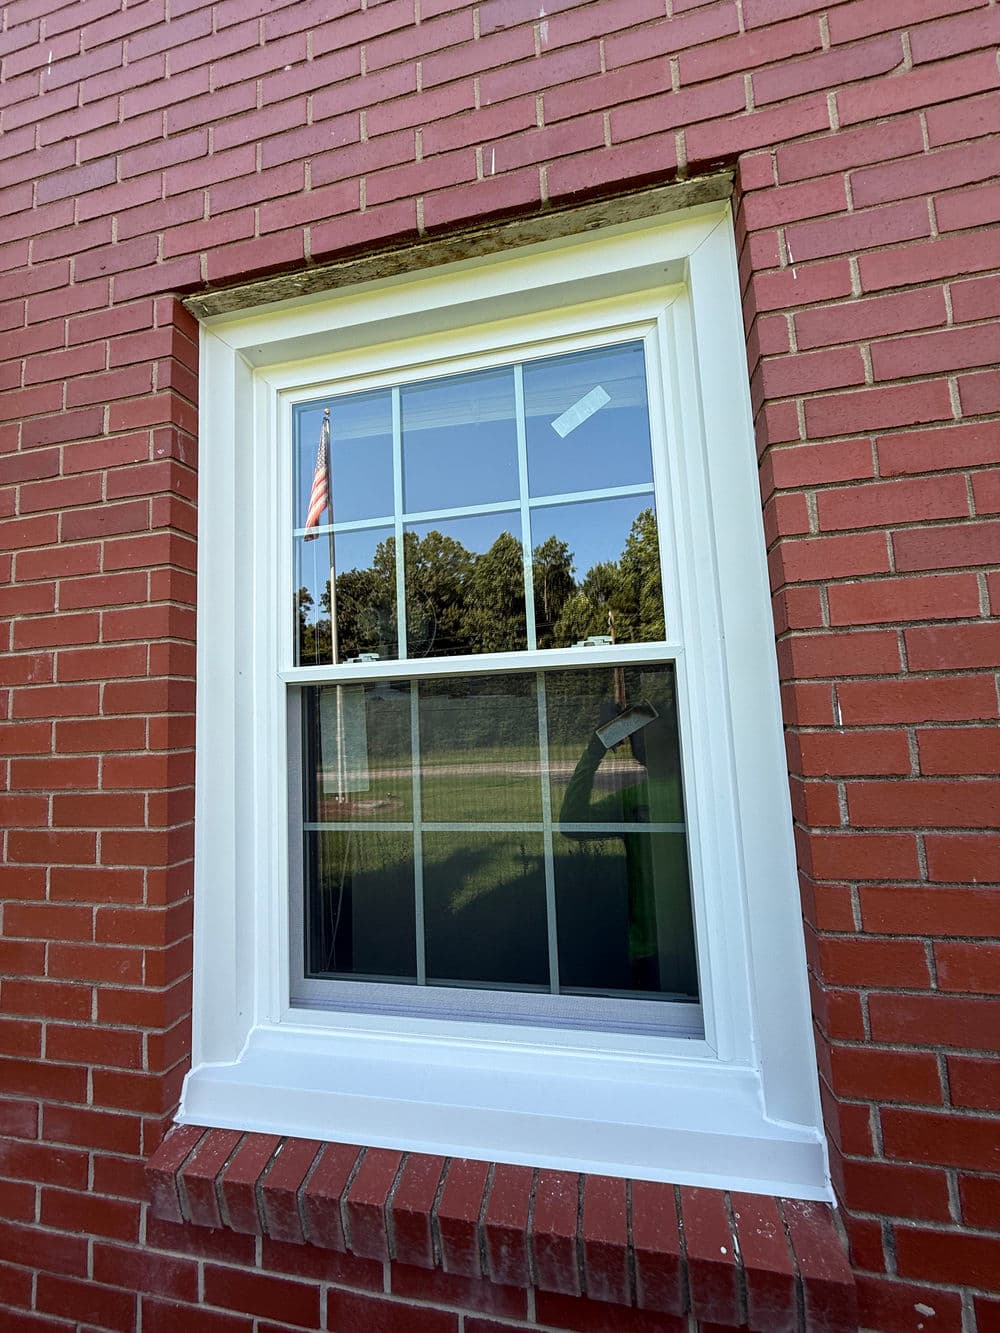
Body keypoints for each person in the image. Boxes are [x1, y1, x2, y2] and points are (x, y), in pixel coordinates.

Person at [559, 684, 699, 998]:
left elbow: (571, 822)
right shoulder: (685, 795)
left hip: (668, 945)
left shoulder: (649, 799)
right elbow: (572, 824)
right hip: (689, 942)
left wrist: (598, 746)